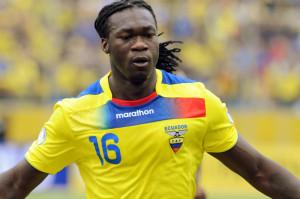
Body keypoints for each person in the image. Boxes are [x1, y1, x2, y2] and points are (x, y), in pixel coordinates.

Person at [0, 0, 299, 198]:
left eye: (148, 34)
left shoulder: (196, 101)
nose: (140, 44)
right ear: (105, 45)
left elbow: (260, 171)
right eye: (127, 36)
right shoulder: (76, 114)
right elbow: (16, 184)